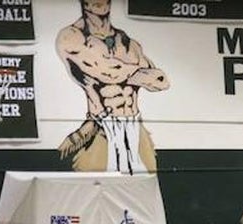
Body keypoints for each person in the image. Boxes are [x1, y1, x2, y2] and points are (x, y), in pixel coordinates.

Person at [55, 0, 169, 173]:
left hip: (134, 126)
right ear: (85, 4)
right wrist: (139, 73)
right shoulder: (72, 37)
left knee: (146, 188)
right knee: (93, 191)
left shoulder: (129, 43)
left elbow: (161, 81)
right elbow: (106, 72)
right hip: (102, 126)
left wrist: (128, 73)